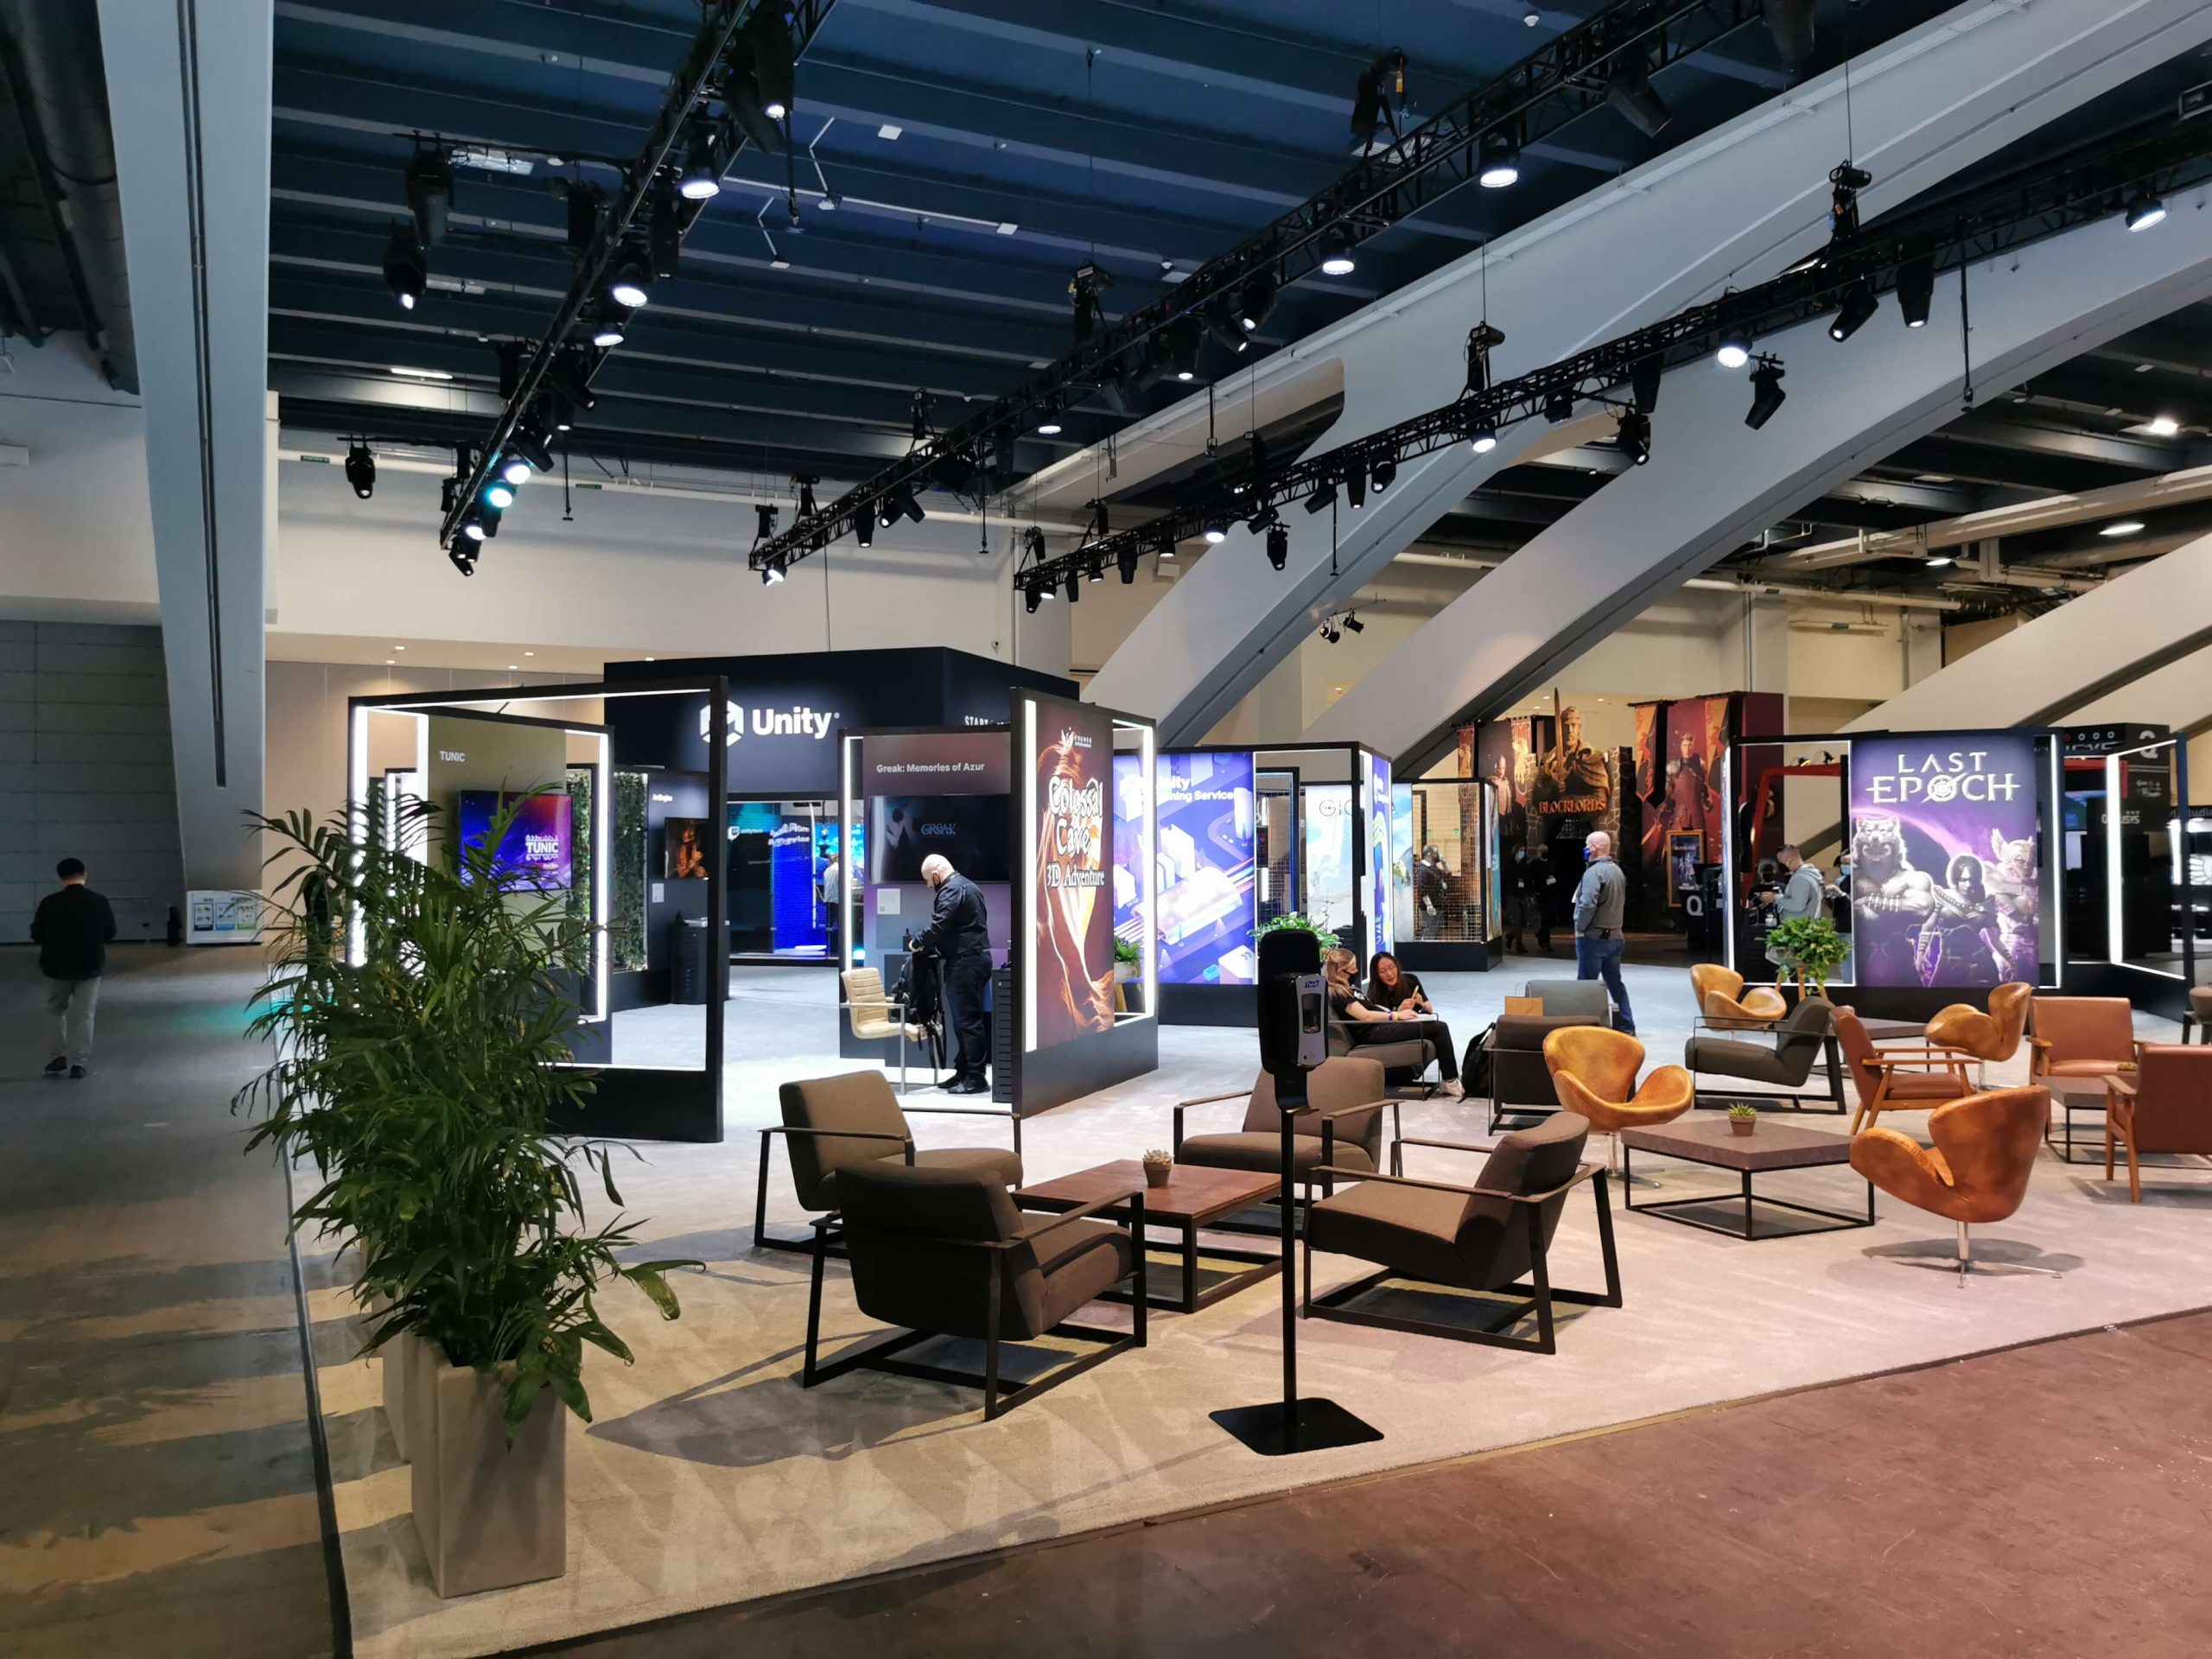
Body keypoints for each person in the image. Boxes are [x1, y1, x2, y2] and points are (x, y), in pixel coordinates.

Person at [1326, 947, 1460, 1096]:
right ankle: (1451, 1081)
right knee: (1438, 1028)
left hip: (1381, 1027)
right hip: (1374, 1032)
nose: (1356, 970)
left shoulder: (1350, 989)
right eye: (1352, 968)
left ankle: (1449, 1080)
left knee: (1434, 1027)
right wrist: (1396, 1016)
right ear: (1340, 972)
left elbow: (1374, 1010)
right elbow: (1366, 1016)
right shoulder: (1338, 993)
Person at [917, 853, 993, 1094]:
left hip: (964, 962)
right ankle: (964, 1071)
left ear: (937, 875)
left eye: (930, 881)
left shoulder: (950, 890)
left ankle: (975, 1078)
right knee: (964, 1021)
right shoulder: (970, 886)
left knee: (967, 1022)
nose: (930, 886)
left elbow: (940, 925)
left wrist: (918, 942)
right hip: (977, 959)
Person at [33, 857, 116, 1079]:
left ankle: (57, 1057)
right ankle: (79, 1062)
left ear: (60, 878)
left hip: (56, 967)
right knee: (85, 1015)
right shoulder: (99, 901)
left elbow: (36, 934)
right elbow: (110, 932)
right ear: (85, 874)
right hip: (90, 966)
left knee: (55, 1010)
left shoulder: (49, 903)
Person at [1570, 830, 1635, 1036]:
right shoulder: (1617, 871)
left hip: (1594, 939)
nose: (1586, 849)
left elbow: (1587, 904)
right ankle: (1627, 1025)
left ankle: (1584, 1028)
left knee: (1586, 986)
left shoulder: (1593, 873)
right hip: (1615, 937)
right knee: (1615, 983)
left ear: (1596, 848)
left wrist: (1580, 927)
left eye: (1588, 845)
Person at [1529, 842, 1557, 954]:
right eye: (1542, 851)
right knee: (1544, 918)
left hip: (1551, 894)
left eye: (1545, 850)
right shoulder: (1534, 865)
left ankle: (1541, 935)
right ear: (1538, 853)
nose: (1544, 852)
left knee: (1550, 918)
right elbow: (1531, 880)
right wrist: (1532, 894)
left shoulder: (1552, 863)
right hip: (1540, 894)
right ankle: (1546, 941)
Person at [817, 849, 841, 950]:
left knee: (829, 924)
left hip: (829, 900)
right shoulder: (841, 869)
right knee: (842, 924)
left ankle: (829, 945)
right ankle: (840, 945)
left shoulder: (828, 870)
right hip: (839, 900)